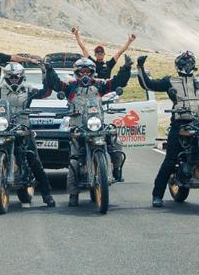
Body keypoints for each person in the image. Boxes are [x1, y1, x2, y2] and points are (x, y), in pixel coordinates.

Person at [137, 49, 199, 207]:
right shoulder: (171, 80)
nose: (187, 65)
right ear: (178, 65)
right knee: (170, 159)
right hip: (180, 123)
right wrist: (140, 67)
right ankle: (157, 195)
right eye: (184, 62)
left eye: (190, 62)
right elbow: (149, 84)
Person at [45, 56, 133, 206]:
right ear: (77, 73)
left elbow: (117, 82)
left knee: (116, 145)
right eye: (82, 72)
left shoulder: (100, 86)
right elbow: (55, 84)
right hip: (78, 128)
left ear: (92, 72)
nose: (85, 75)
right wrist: (49, 70)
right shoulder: (71, 87)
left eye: (88, 72)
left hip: (97, 125)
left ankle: (116, 170)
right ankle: (73, 194)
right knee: (74, 159)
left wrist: (126, 68)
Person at [0, 61, 56, 208]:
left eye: (16, 77)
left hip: (22, 129)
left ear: (21, 76)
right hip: (3, 127)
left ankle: (46, 195)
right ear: (6, 77)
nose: (13, 79)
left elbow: (46, 92)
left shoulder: (28, 89)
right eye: (10, 77)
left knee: (33, 160)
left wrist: (45, 74)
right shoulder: (1, 89)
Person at [70, 26, 137, 181]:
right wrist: (77, 35)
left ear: (104, 54)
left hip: (103, 95)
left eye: (101, 52)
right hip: (88, 99)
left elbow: (119, 53)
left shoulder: (108, 64)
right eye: (97, 52)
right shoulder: (89, 65)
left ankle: (116, 167)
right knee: (75, 147)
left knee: (114, 140)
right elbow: (83, 47)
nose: (99, 54)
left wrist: (129, 41)